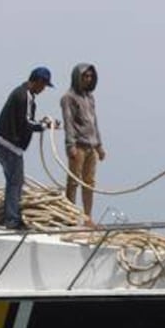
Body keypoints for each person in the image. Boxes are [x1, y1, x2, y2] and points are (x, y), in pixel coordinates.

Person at [0, 66, 56, 230]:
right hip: (9, 147)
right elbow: (26, 122)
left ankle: (10, 216)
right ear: (38, 81)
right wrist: (44, 126)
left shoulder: (20, 93)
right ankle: (12, 220)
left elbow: (25, 119)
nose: (43, 89)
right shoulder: (25, 96)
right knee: (15, 183)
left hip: (1, 143)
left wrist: (39, 124)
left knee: (13, 182)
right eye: (44, 85)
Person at [60, 63, 105, 222]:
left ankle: (87, 217)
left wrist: (99, 146)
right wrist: (70, 145)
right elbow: (68, 122)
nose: (88, 79)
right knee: (73, 182)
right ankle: (70, 217)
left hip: (91, 146)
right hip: (78, 145)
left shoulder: (90, 98)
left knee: (89, 183)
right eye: (85, 76)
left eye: (90, 76)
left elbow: (94, 123)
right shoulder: (68, 98)